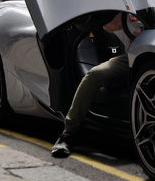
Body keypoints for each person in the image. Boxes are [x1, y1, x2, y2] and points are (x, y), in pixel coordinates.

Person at [51, 12, 143, 157]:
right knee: (94, 74)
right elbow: (113, 25)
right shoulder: (123, 8)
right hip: (131, 58)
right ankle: (67, 133)